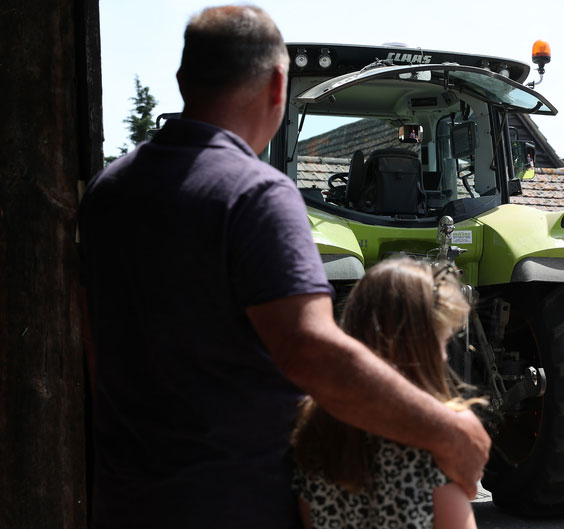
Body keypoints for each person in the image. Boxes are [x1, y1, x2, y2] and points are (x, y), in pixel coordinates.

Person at [77, 5, 489, 529]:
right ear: (277, 84)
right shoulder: (257, 193)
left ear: (183, 80)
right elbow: (308, 350)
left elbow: (94, 344)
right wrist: (447, 429)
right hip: (234, 504)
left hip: (126, 499)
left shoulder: (107, 193)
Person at [291, 258, 482, 529]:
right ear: (420, 346)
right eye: (443, 342)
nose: (443, 355)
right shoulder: (436, 443)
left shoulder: (314, 431)